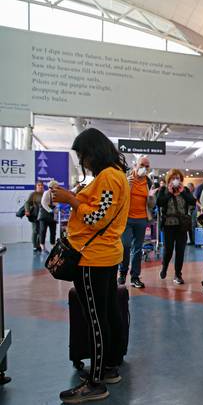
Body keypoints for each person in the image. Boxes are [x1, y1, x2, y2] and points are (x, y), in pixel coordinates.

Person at [50, 127, 130, 403]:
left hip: (93, 257)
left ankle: (95, 382)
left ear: (93, 152)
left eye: (83, 156)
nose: (82, 162)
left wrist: (71, 200)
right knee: (106, 314)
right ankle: (107, 368)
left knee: (95, 319)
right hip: (105, 255)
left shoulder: (108, 177)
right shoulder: (115, 175)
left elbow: (97, 218)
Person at [118, 156, 154, 288]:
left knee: (138, 249)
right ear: (135, 165)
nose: (144, 168)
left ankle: (135, 277)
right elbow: (118, 197)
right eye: (142, 165)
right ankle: (122, 273)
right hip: (126, 218)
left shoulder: (148, 182)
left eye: (147, 166)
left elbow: (151, 205)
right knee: (125, 245)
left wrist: (151, 198)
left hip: (142, 219)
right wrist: (126, 186)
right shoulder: (126, 178)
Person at [156, 169, 196, 285]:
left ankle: (178, 274)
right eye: (173, 178)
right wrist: (169, 193)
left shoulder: (185, 190)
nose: (175, 180)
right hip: (168, 225)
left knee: (180, 250)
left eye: (177, 178)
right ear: (169, 179)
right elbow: (159, 203)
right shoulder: (163, 190)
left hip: (182, 225)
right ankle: (164, 267)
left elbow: (193, 201)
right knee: (168, 250)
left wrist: (183, 192)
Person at [38, 182, 58, 253]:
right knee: (43, 231)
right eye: (55, 186)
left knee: (53, 231)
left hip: (52, 215)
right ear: (51, 186)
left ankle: (53, 245)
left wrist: (56, 210)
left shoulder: (56, 194)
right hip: (44, 215)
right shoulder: (46, 193)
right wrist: (50, 210)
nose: (57, 187)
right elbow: (43, 203)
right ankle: (42, 245)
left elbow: (56, 204)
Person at [25, 182, 44, 252]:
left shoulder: (45, 194)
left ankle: (39, 245)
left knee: (41, 231)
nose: (40, 186)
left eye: (41, 185)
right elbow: (27, 202)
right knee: (35, 230)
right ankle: (35, 246)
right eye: (39, 185)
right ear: (36, 186)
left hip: (43, 215)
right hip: (35, 215)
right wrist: (27, 210)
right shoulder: (33, 194)